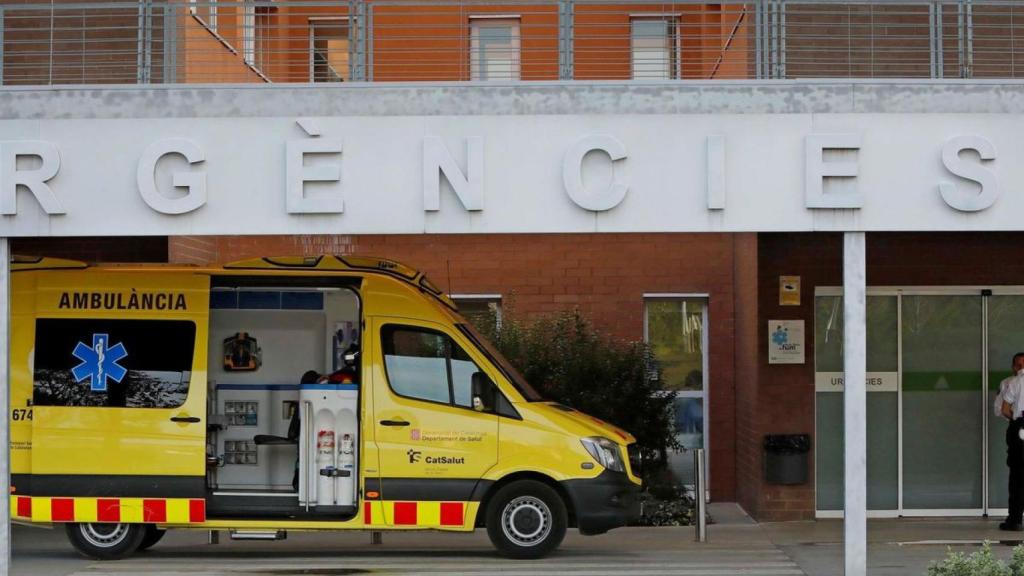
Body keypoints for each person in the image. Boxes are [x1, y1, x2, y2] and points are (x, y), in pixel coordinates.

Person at [999, 353, 1024, 531]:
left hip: (1020, 428)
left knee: (1018, 475)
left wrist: (1016, 421)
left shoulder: (1015, 382)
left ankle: (1015, 519)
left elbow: (1004, 409)